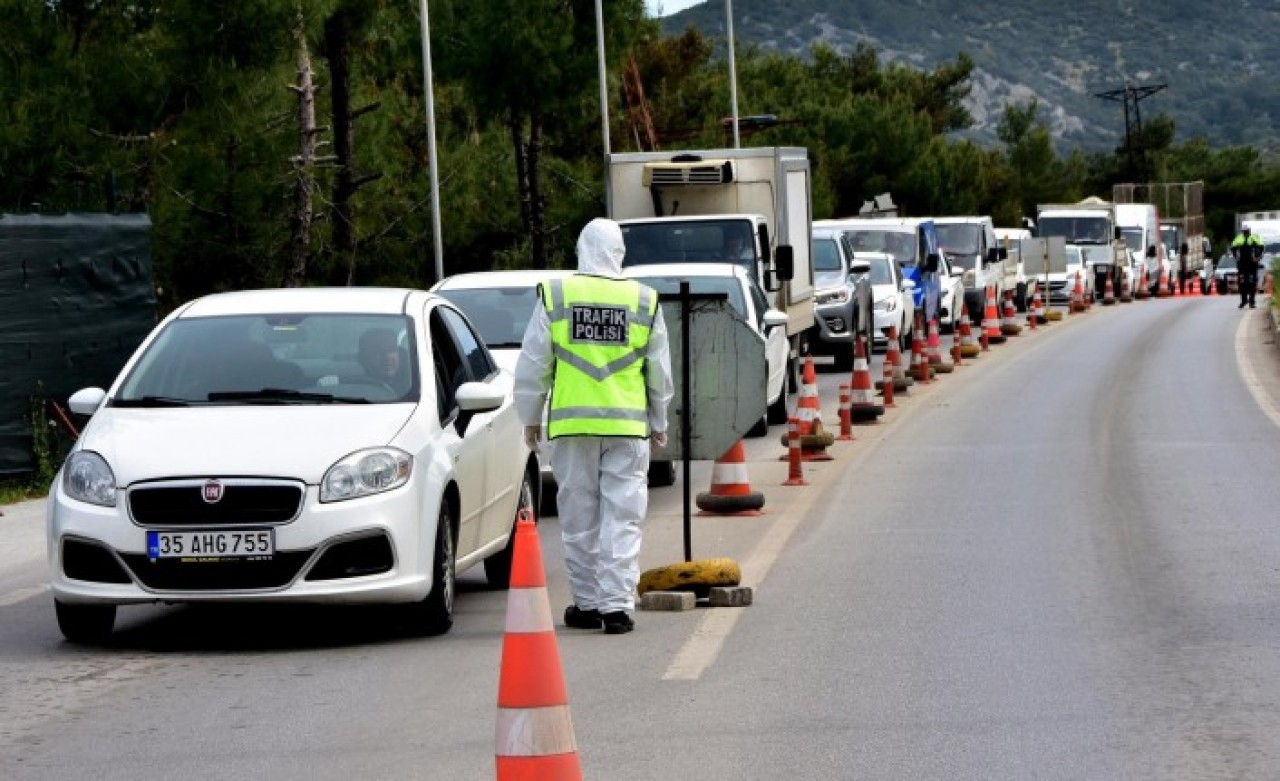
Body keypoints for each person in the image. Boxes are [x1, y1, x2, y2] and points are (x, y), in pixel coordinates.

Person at [514, 218, 673, 635]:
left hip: (573, 427)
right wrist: (659, 419)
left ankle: (586, 604)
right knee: (622, 516)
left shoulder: (557, 295)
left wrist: (530, 417)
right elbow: (658, 370)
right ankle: (617, 607)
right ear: (619, 253)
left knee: (579, 516)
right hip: (626, 427)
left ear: (581, 250)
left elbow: (533, 363)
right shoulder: (643, 300)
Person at [1231, 225, 1264, 309]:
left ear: (1249, 230)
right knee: (1242, 283)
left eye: (1247, 231)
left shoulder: (1254, 237)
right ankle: (1243, 300)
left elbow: (1261, 247)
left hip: (1252, 263)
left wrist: (1257, 257)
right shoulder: (1239, 238)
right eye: (1244, 231)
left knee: (1252, 282)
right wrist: (1236, 257)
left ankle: (1252, 301)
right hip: (1242, 264)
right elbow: (1233, 248)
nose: (1245, 233)